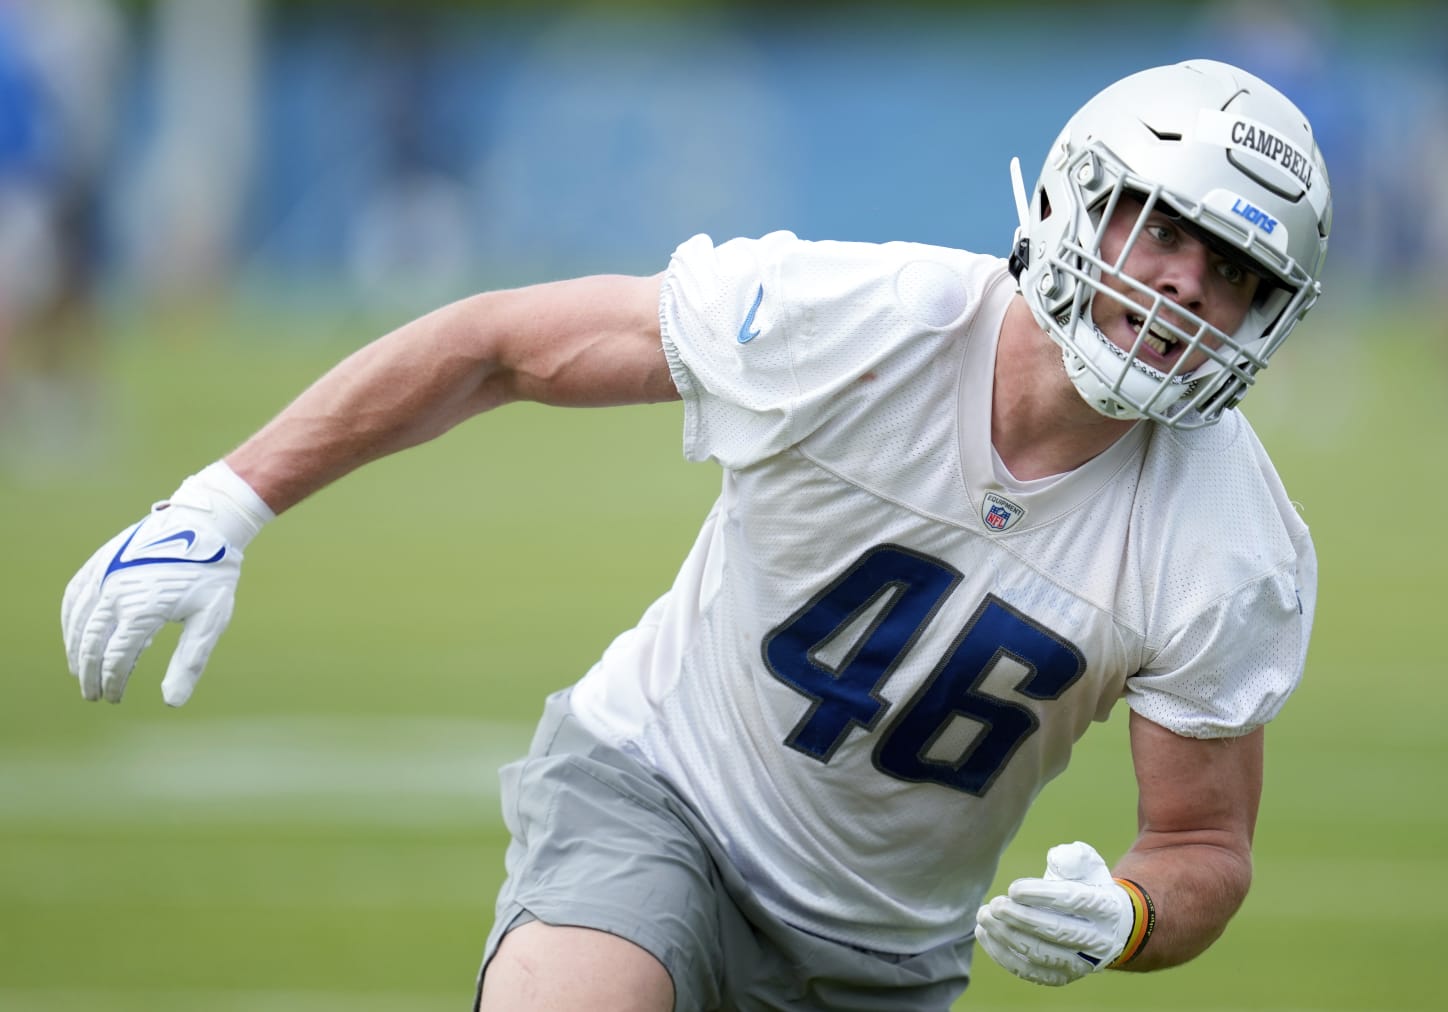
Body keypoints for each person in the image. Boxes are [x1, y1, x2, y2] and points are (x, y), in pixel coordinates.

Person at [60, 58, 1331, 1010]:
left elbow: (1201, 843)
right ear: (1079, 196)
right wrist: (225, 500)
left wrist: (1126, 913)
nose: (1184, 287)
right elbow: (497, 346)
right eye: (1168, 230)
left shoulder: (1233, 541)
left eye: (1235, 275)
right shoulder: (859, 320)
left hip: (887, 952)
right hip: (660, 793)